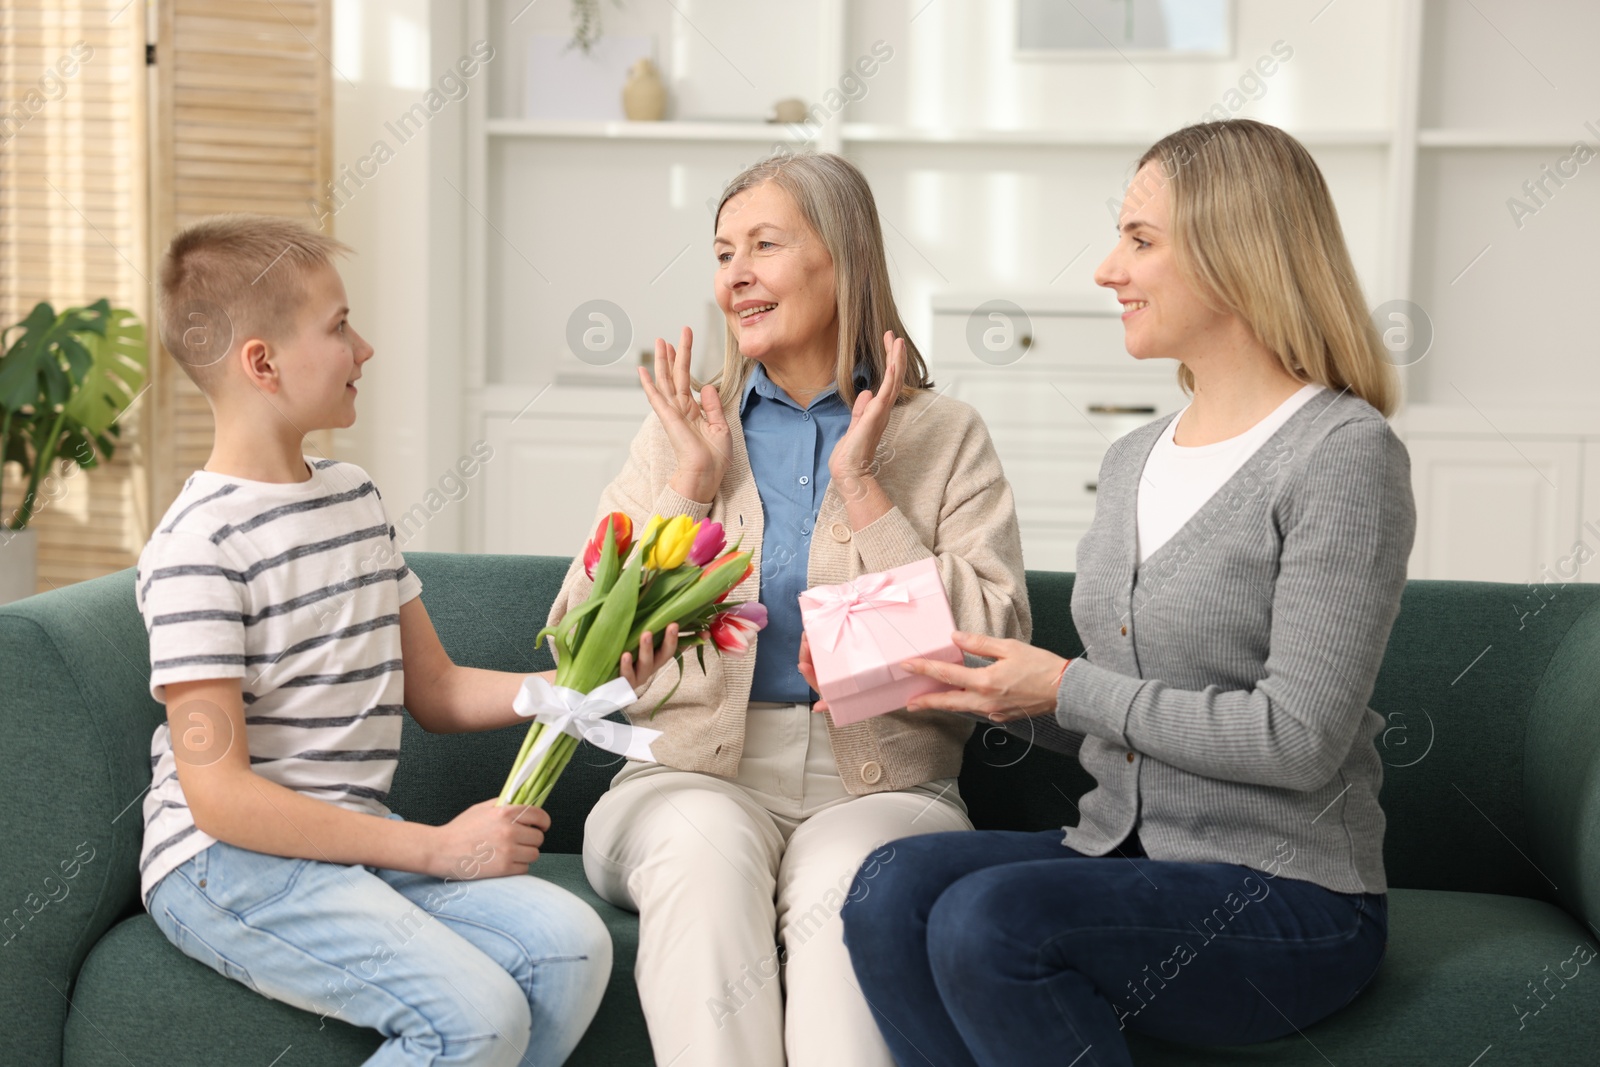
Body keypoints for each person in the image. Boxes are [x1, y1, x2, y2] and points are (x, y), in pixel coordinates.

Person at [831, 119, 1416, 1067]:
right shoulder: (1136, 454)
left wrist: (1061, 687)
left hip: (1289, 892)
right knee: (885, 884)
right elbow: (1115, 709)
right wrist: (959, 680)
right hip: (1118, 853)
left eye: (1140, 240)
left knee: (992, 919)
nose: (1108, 269)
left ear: (1238, 252)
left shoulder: (1342, 454)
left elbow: (1298, 739)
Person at [137, 214, 679, 1066]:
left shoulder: (353, 498)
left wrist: (574, 688)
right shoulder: (197, 548)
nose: (365, 348)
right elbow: (220, 798)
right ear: (262, 363)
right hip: (223, 862)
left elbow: (435, 687)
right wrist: (435, 847)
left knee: (572, 948)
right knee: (476, 1015)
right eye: (339, 326)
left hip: (346, 836)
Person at [549, 152, 1030, 1067]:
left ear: (843, 260)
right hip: (681, 778)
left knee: (853, 881)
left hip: (885, 787)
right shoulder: (686, 430)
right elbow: (578, 638)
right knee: (702, 848)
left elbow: (991, 649)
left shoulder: (943, 434)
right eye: (724, 251)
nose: (735, 273)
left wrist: (864, 489)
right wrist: (689, 487)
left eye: (765, 245)